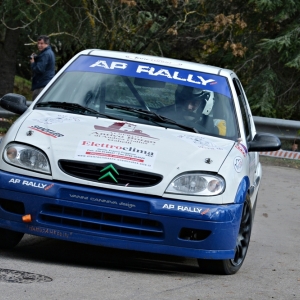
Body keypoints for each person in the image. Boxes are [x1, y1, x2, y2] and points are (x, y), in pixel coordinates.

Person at [30, 35, 55, 100]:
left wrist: (33, 63)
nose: (39, 45)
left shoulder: (45, 54)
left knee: (36, 106)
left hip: (42, 85)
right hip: (45, 83)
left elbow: (39, 69)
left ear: (47, 44)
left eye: (41, 43)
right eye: (38, 43)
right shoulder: (49, 53)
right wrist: (37, 59)